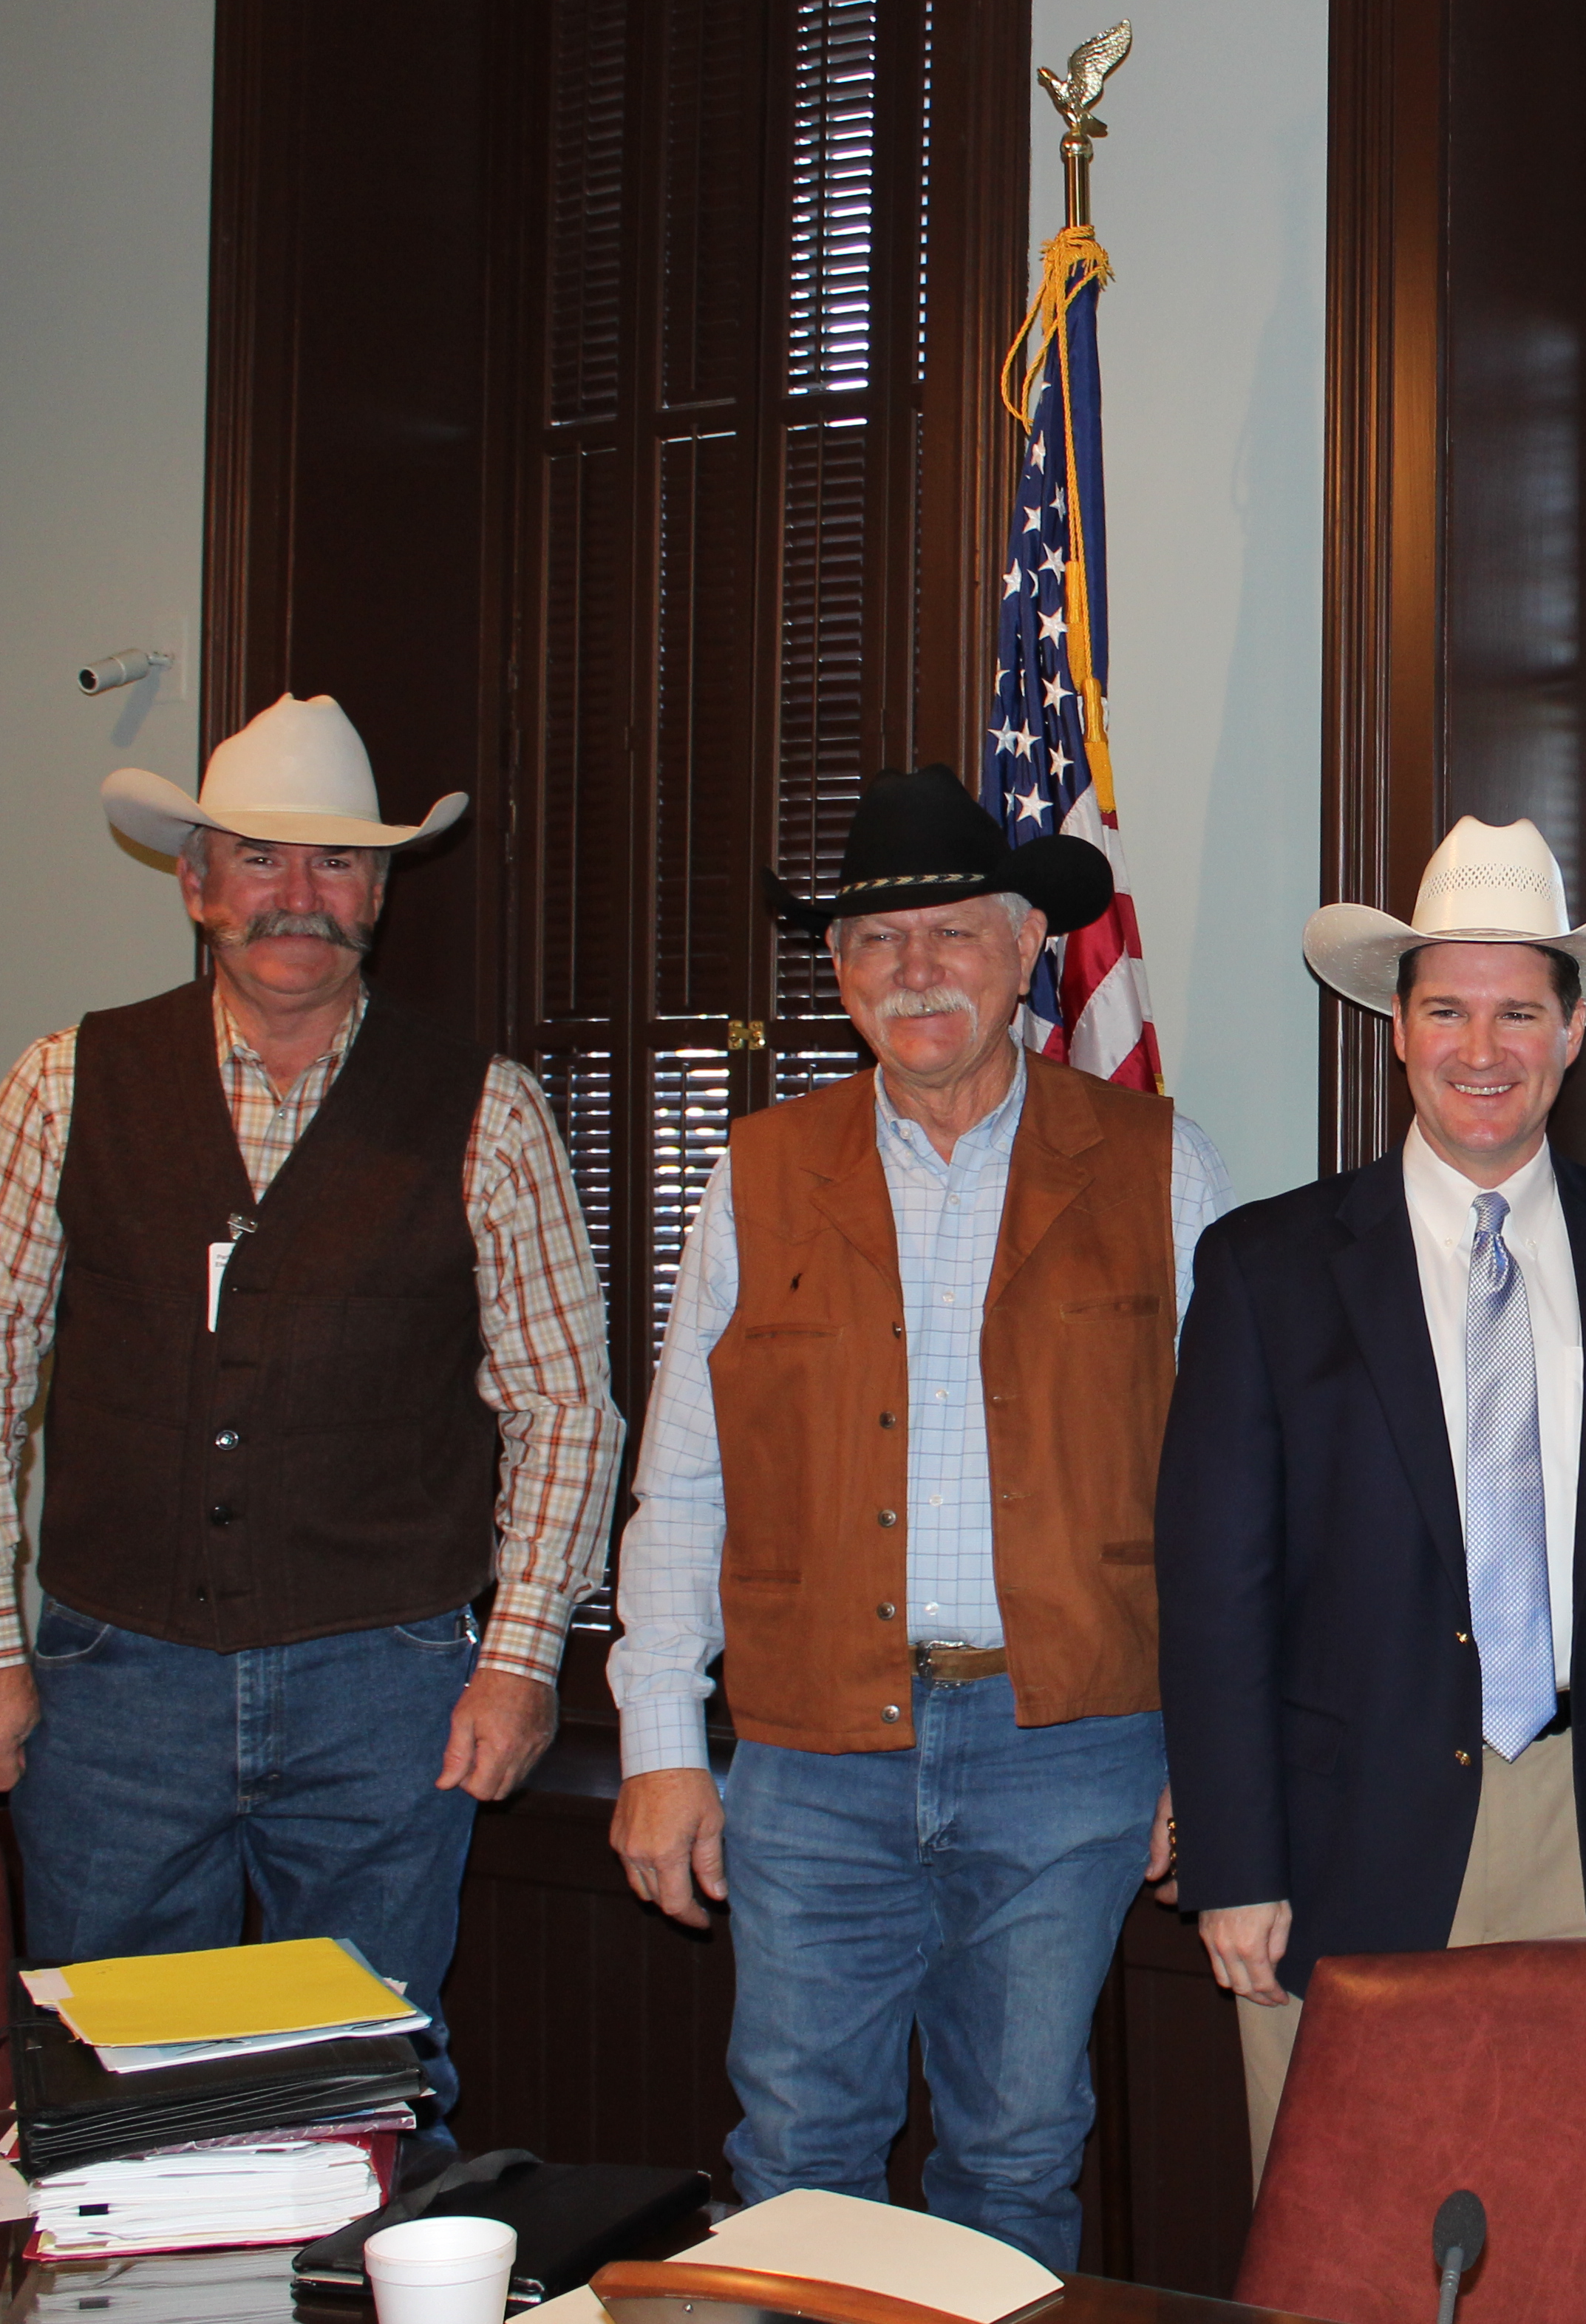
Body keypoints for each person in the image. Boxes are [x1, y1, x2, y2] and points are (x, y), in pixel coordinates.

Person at [0, 695, 619, 2146]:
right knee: (106, 2093)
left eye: (338, 861)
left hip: (389, 1688)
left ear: (381, 891)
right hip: (114, 1683)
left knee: (365, 2093)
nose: (301, 895)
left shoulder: (488, 1111)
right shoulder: (61, 1086)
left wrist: (520, 1661)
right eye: (261, 858)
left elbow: (565, 1410)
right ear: (197, 883)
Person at [605, 765, 1230, 2266]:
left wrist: (1218, 1760)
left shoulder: (1161, 1164)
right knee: (795, 2159)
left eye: (953, 931)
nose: (917, 969)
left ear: (1027, 949)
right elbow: (683, 1475)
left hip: (1068, 1753)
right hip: (814, 1755)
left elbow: (1227, 1501)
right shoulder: (756, 1175)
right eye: (879, 941)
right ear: (839, 974)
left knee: (1016, 2157)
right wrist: (661, 1746)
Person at [1157, 817, 1586, 2183]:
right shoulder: (1266, 1269)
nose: (1480, 1049)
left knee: (1580, 2221)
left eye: (1517, 1013)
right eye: (1446, 1010)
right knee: (1344, 2231)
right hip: (1342, 1840)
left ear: (1573, 1030)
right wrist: (1235, 1861)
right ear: (1397, 1027)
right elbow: (1213, 1597)